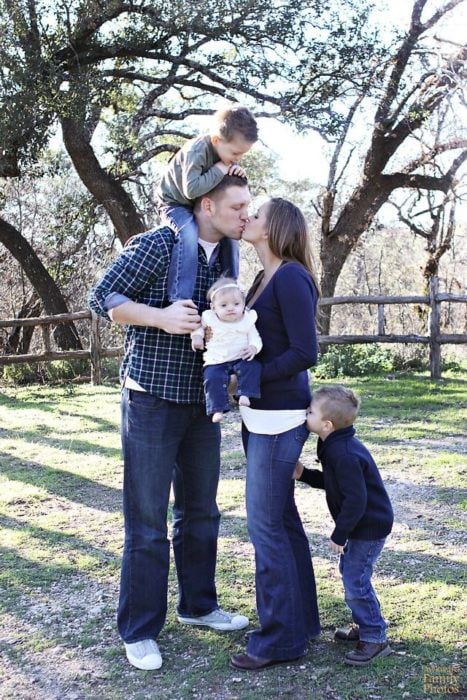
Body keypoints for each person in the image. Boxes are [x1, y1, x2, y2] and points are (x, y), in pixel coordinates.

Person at [88, 175, 251, 672]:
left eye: (249, 206)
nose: (247, 214)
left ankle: (199, 606)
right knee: (147, 522)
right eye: (238, 206)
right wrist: (159, 317)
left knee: (201, 513)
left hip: (203, 405)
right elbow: (103, 297)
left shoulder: (228, 257)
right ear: (206, 205)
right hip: (151, 401)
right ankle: (138, 630)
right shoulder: (160, 244)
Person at [230, 197, 321, 671]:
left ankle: (280, 639)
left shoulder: (290, 277)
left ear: (275, 227)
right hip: (259, 420)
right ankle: (300, 623)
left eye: (256, 215)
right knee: (281, 521)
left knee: (265, 528)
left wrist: (254, 379)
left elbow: (307, 352)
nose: (248, 219)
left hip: (280, 421)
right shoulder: (262, 279)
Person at [295, 385, 394, 666]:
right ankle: (365, 624)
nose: (306, 413)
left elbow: (356, 499)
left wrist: (340, 534)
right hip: (361, 524)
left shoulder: (345, 453)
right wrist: (305, 475)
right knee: (352, 574)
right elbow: (335, 483)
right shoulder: (333, 443)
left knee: (355, 581)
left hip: (368, 526)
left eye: (311, 411)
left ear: (326, 424)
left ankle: (375, 637)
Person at [156, 103, 258, 301]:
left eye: (242, 155)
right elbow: (191, 189)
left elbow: (224, 185)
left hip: (198, 203)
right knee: (187, 233)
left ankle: (230, 288)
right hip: (174, 202)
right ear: (216, 140)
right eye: (235, 154)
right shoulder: (197, 151)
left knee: (231, 235)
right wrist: (220, 168)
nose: (237, 159)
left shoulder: (224, 152)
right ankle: (180, 297)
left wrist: (236, 172)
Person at [191, 277, 263, 422]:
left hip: (240, 357)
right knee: (211, 378)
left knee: (254, 367)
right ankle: (217, 408)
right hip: (216, 360)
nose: (231, 308)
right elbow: (198, 328)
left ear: (243, 304)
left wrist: (253, 348)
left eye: (236, 304)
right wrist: (197, 337)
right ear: (213, 307)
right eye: (223, 305)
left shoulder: (247, 320)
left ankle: (245, 394)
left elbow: (256, 337)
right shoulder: (209, 318)